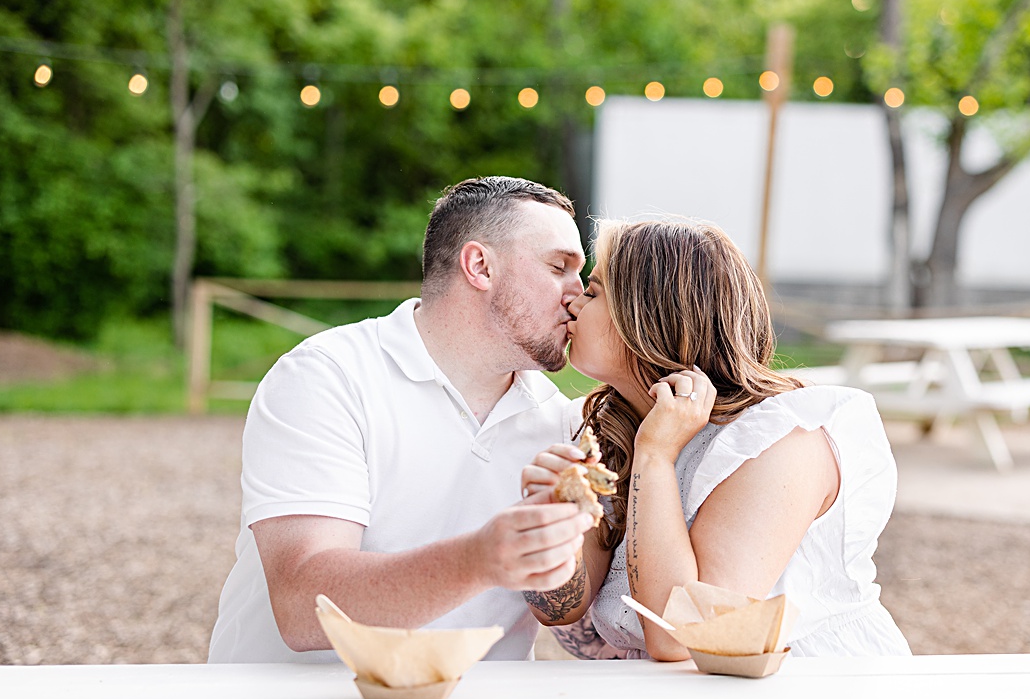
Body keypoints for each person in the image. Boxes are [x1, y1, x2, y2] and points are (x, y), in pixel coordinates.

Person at [208, 176, 595, 663]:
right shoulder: (328, 377)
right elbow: (303, 605)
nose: (576, 294)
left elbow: (566, 613)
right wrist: (480, 559)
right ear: (480, 266)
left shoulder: (557, 420)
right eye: (559, 267)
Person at [520, 218, 911, 660]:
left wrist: (656, 456)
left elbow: (683, 636)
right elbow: (561, 610)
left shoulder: (782, 440)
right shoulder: (612, 428)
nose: (571, 301)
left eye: (592, 292)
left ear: (649, 313)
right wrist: (549, 518)